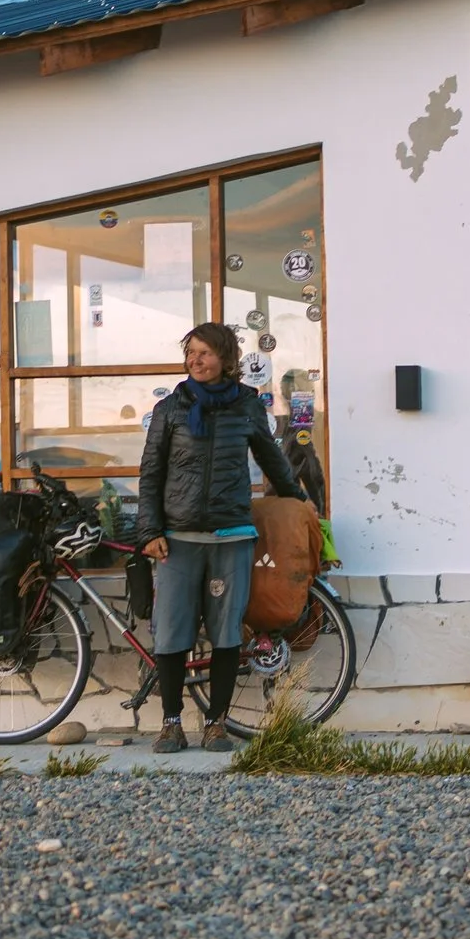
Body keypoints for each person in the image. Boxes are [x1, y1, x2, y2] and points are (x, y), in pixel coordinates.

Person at [132, 321, 307, 753]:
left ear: (226, 359)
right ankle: (171, 723)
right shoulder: (172, 408)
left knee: (227, 631)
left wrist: (300, 501)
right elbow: (151, 472)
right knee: (172, 633)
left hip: (231, 536)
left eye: (205, 352)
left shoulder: (247, 406)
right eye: (190, 352)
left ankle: (216, 723)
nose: (196, 360)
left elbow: (272, 460)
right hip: (178, 538)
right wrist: (149, 531)